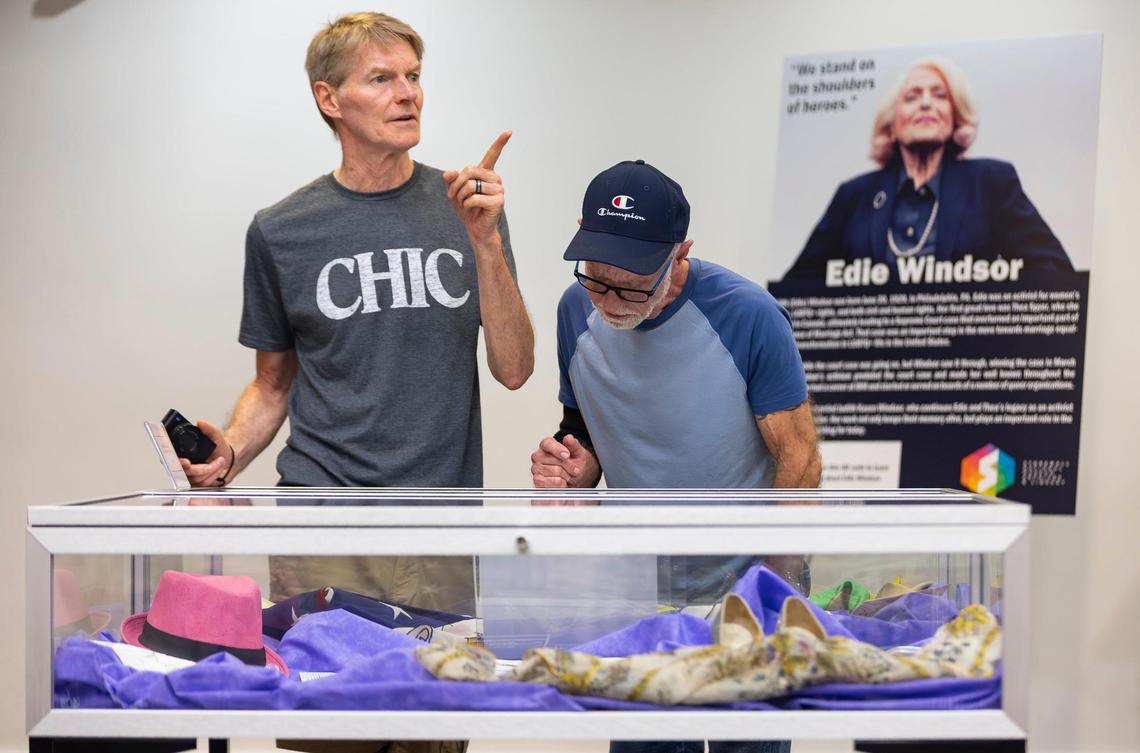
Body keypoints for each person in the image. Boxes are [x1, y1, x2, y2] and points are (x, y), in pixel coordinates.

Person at [176, 13, 535, 753]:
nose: (408, 94)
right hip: (324, 523)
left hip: (440, 525)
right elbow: (272, 386)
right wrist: (228, 452)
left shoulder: (466, 209)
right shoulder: (282, 230)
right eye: (382, 79)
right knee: (330, 737)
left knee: (432, 739)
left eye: (412, 76)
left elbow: (514, 367)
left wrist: (488, 243)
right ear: (329, 99)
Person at [531, 159, 820, 753]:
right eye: (596, 275)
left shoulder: (749, 316)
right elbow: (583, 431)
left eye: (632, 280)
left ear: (679, 253)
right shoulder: (573, 311)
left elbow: (801, 462)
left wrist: (771, 589)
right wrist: (574, 468)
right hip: (642, 591)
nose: (610, 298)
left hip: (747, 580)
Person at [783, 56, 1073, 281]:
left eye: (940, 95)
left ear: (955, 118)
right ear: (891, 125)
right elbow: (798, 290)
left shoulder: (992, 182)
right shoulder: (853, 195)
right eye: (911, 97)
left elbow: (1054, 271)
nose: (925, 103)